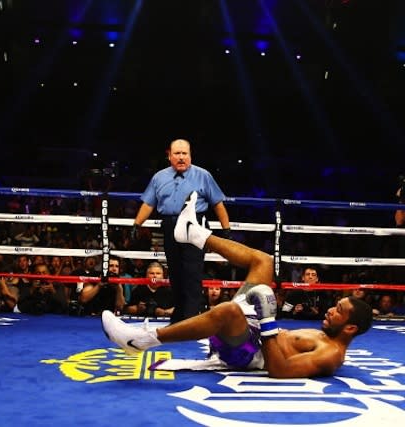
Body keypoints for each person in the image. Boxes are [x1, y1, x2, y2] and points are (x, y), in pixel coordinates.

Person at [102, 191, 373, 378]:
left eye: (338, 310)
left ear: (350, 327)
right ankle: (195, 234)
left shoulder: (330, 355)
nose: (330, 310)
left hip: (249, 354)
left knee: (228, 312)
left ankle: (140, 341)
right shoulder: (325, 337)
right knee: (264, 261)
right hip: (254, 335)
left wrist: (267, 320)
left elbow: (280, 371)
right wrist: (264, 322)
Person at [131, 139, 231, 323]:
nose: (181, 157)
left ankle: (191, 318)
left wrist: (226, 230)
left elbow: (218, 203)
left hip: (195, 226)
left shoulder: (203, 175)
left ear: (190, 155)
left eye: (185, 153)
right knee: (175, 273)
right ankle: (179, 316)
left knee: (193, 272)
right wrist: (137, 224)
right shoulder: (159, 177)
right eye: (177, 153)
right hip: (169, 226)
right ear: (169, 155)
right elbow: (148, 203)